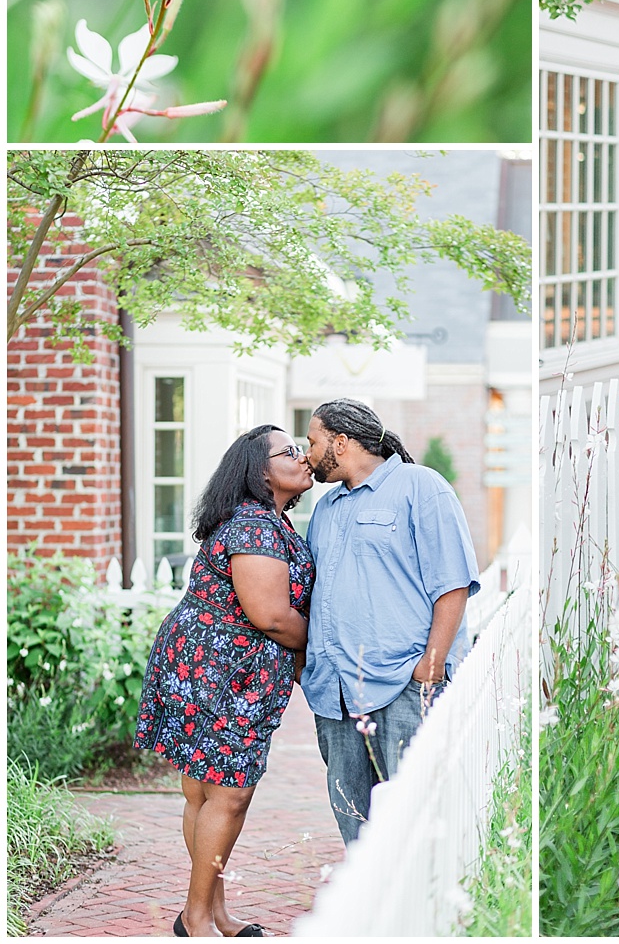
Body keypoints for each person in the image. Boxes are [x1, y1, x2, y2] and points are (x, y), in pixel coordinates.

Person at [134, 425, 315, 937]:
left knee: (204, 793)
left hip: (211, 664)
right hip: (219, 671)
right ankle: (197, 917)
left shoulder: (267, 522)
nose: (303, 458)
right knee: (227, 794)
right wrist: (326, 645)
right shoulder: (255, 527)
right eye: (290, 451)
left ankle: (211, 912)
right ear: (261, 471)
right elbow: (272, 616)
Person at [301, 398, 480, 844]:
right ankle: (367, 912)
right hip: (336, 693)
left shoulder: (421, 487)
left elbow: (453, 582)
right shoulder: (325, 509)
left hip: (403, 683)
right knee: (352, 821)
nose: (307, 454)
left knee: (414, 819)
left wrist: (431, 666)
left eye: (312, 442)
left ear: (341, 443)